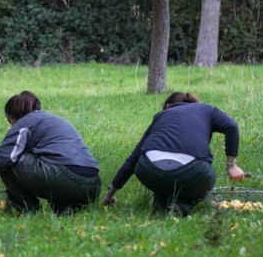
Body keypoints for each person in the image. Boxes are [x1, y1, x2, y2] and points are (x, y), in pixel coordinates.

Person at [102, 92, 246, 216]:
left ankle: (162, 207)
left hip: (148, 170)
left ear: (167, 106)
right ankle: (182, 205)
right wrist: (231, 165)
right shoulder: (207, 109)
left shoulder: (161, 116)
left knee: (164, 176)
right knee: (205, 176)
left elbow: (134, 158)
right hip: (193, 173)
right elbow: (231, 126)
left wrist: (110, 193)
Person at [0, 91, 101, 215]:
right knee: (42, 162)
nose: (11, 126)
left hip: (65, 179)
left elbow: (3, 157)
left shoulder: (25, 122)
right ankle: (65, 208)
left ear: (13, 116)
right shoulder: (52, 119)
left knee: (10, 163)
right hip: (92, 185)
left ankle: (28, 211)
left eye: (10, 122)